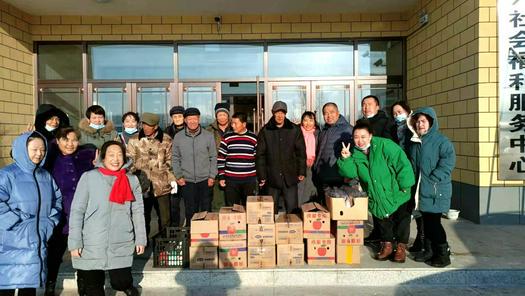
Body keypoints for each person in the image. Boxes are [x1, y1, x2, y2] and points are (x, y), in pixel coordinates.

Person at [68, 141, 146, 296]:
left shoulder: (131, 180)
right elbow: (77, 211)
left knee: (121, 281)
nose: (115, 159)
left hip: (121, 239)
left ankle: (126, 286)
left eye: (119, 155)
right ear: (103, 158)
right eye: (111, 155)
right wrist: (75, 241)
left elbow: (137, 211)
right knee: (93, 287)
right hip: (92, 241)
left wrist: (140, 238)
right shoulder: (89, 177)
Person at [338, 122, 415, 263]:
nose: (360, 141)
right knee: (382, 220)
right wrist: (346, 158)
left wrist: (405, 184)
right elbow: (351, 173)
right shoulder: (355, 153)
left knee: (401, 220)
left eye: (363, 136)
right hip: (375, 194)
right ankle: (387, 246)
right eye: (356, 137)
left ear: (371, 136)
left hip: (396, 191)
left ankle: (401, 248)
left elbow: (402, 162)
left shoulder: (385, 145)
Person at [0, 132, 62, 295]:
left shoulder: (45, 176)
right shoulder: (7, 174)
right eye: (34, 149)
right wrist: (17, 221)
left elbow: (57, 201)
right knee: (6, 286)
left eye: (42, 149)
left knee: (29, 287)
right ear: (22, 149)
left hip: (36, 242)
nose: (39, 153)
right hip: (10, 243)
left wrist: (49, 222)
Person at [45, 128, 95, 296]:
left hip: (82, 216)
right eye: (65, 140)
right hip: (60, 215)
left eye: (74, 140)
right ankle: (50, 285)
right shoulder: (50, 160)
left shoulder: (85, 158)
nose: (70, 144)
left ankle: (84, 287)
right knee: (55, 253)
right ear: (57, 142)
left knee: (81, 252)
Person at [408, 107, 456, 267]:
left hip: (436, 189)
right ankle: (430, 252)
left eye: (423, 121)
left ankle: (443, 255)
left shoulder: (441, 141)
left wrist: (434, 178)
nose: (420, 124)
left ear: (431, 122)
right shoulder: (416, 141)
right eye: (417, 121)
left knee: (434, 224)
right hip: (421, 189)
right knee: (426, 223)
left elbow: (448, 161)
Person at [127, 113, 176, 238]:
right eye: (144, 124)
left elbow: (170, 162)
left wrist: (172, 180)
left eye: (149, 125)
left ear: (156, 126)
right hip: (141, 185)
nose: (146, 127)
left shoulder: (166, 140)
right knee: (143, 216)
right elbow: (129, 161)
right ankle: (143, 244)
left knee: (165, 218)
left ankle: (165, 244)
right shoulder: (134, 140)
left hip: (162, 186)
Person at [357, 95, 397, 244]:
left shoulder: (385, 122)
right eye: (363, 104)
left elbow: (388, 146)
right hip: (367, 168)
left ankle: (387, 238)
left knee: (383, 202)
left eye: (369, 104)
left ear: (377, 107)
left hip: (381, 170)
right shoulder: (360, 123)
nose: (366, 107)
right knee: (373, 201)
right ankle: (377, 232)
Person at [256, 101, 306, 214]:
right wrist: (262, 175)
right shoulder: (265, 131)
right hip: (272, 177)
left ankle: (292, 230)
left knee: (292, 209)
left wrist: (301, 171)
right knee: (270, 211)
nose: (280, 115)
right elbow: (260, 155)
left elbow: (301, 152)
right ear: (273, 113)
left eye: (282, 112)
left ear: (285, 114)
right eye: (277, 112)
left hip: (290, 176)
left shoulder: (294, 130)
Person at [172, 108, 217, 226]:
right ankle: (191, 239)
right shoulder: (178, 137)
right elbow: (175, 158)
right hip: (187, 181)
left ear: (199, 119)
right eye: (190, 119)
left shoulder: (208, 136)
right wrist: (178, 175)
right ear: (185, 120)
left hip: (205, 180)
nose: (192, 121)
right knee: (190, 212)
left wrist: (212, 176)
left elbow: (213, 157)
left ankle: (207, 239)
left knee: (206, 210)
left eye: (195, 119)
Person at [391, 101, 424, 254]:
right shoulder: (395, 129)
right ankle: (401, 241)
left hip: (413, 172)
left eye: (399, 112)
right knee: (404, 208)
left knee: (416, 208)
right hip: (399, 172)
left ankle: (420, 240)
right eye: (394, 113)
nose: (397, 115)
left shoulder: (413, 128)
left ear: (407, 111)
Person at [313, 102, 353, 203]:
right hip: (323, 175)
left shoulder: (347, 129)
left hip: (337, 177)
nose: (328, 115)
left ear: (338, 112)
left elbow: (351, 154)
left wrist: (348, 176)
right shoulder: (325, 130)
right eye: (325, 113)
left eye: (332, 112)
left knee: (337, 210)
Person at [217, 112, 257, 206]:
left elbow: (257, 159)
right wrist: (221, 176)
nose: (233, 126)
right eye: (232, 123)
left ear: (244, 124)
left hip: (249, 180)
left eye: (236, 123)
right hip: (231, 180)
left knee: (249, 208)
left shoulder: (253, 138)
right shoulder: (227, 137)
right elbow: (221, 158)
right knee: (232, 209)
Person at [207, 103, 232, 211]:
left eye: (224, 114)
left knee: (232, 202)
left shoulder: (235, 127)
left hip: (233, 170)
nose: (222, 117)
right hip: (216, 171)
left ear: (228, 115)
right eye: (219, 115)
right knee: (218, 203)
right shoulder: (209, 130)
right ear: (216, 116)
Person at [164, 106, 185, 227]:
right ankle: (175, 230)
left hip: (187, 170)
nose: (177, 119)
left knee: (189, 203)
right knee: (174, 204)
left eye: (180, 116)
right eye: (175, 116)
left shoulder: (190, 129)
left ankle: (188, 229)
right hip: (172, 172)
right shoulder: (167, 131)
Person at [297, 111, 319, 205]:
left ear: (315, 122)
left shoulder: (318, 133)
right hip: (300, 165)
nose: (308, 123)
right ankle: (299, 210)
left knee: (312, 188)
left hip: (314, 165)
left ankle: (311, 209)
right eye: (305, 120)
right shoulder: (297, 133)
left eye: (311, 120)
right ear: (302, 122)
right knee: (300, 189)